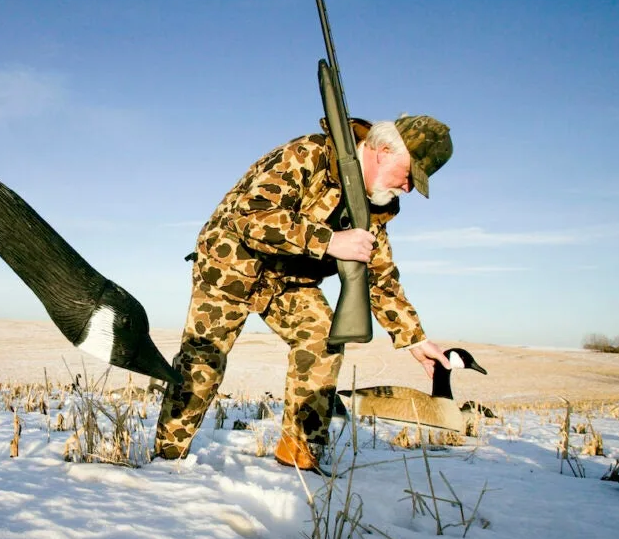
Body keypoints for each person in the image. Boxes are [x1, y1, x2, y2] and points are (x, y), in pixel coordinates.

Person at [153, 114, 454, 470]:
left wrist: (415, 340)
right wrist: (329, 242)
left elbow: (382, 278)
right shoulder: (309, 155)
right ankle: (167, 460)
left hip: (288, 282)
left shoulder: (375, 210)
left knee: (324, 338)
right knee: (202, 364)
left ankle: (299, 454)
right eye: (408, 175)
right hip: (231, 265)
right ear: (383, 150)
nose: (407, 188)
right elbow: (250, 218)